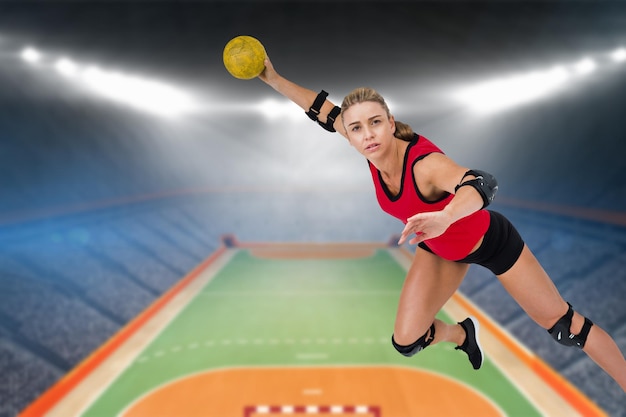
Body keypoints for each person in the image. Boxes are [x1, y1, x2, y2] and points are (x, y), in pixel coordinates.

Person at [257, 55, 626, 391]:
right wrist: (273, 79)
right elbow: (321, 109)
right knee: (407, 341)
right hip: (439, 249)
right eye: (356, 128)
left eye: (374, 123)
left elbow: (482, 183)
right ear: (348, 135)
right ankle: (462, 335)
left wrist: (446, 216)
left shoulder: (424, 166)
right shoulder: (366, 145)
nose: (367, 134)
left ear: (389, 123)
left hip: (489, 242)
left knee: (565, 328)